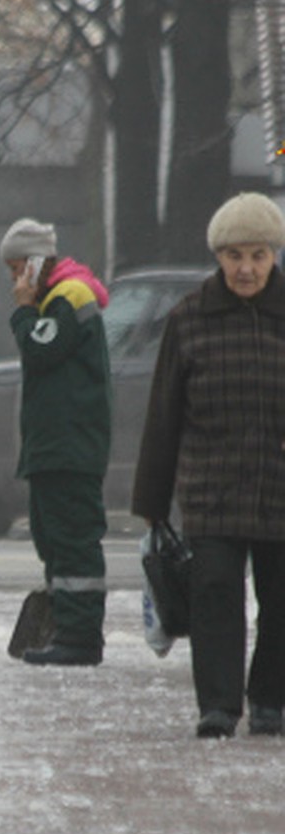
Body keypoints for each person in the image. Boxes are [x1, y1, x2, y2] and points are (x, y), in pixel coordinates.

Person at [133, 192, 285, 738]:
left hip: (279, 488)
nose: (247, 268)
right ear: (219, 257)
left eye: (259, 255)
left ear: (274, 255)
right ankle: (218, 706)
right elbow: (164, 414)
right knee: (216, 596)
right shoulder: (189, 319)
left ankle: (271, 699)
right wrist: (151, 504)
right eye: (235, 255)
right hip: (212, 489)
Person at [0, 217, 111, 667]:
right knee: (52, 537)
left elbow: (42, 347)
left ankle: (81, 637)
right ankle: (66, 627)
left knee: (72, 540)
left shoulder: (69, 297)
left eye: (16, 269)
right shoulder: (55, 299)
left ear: (35, 263)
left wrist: (24, 308)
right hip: (53, 447)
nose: (13, 280)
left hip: (71, 446)